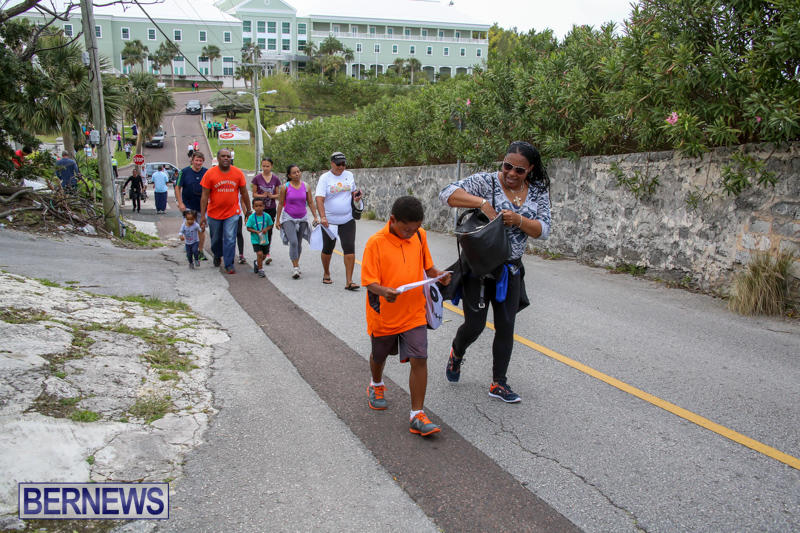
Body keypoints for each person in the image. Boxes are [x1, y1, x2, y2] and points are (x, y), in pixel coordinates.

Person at [438, 140, 552, 404]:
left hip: (510, 270)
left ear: (530, 169)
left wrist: (519, 220)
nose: (511, 173)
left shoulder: (537, 190)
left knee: (506, 326)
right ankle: (457, 352)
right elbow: (446, 194)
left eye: (519, 170)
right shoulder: (487, 181)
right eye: (507, 166)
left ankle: (499, 383)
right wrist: (481, 203)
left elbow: (544, 230)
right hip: (479, 268)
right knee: (475, 326)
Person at [361, 196, 451, 437]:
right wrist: (384, 291)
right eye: (406, 229)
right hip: (385, 313)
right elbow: (369, 281)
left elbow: (428, 267)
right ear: (393, 220)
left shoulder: (419, 236)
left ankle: (417, 415)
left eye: (415, 228)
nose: (411, 234)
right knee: (379, 355)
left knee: (420, 358)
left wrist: (439, 275)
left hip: (414, 312)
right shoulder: (375, 243)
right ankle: (376, 384)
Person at [315, 151, 363, 290]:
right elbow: (319, 199)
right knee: (328, 248)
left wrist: (356, 197)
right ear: (332, 164)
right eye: (338, 164)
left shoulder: (349, 175)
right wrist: (323, 217)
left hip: (347, 219)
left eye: (343, 164)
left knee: (349, 247)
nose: (341, 167)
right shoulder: (325, 178)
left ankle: (349, 281)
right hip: (329, 221)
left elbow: (352, 192)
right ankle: (326, 273)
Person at [199, 148, 251, 274]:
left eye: (228, 156)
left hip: (232, 212)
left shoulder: (238, 173)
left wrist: (249, 210)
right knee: (216, 239)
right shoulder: (210, 174)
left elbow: (244, 193)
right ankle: (217, 254)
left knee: (230, 238)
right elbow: (204, 196)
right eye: (223, 156)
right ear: (218, 158)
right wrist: (203, 215)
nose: (226, 158)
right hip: (214, 213)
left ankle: (229, 264)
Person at [275, 164, 318, 279]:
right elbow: (280, 203)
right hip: (288, 218)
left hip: (302, 218)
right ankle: (295, 267)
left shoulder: (306, 186)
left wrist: (315, 217)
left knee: (299, 243)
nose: (297, 174)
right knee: (293, 242)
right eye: (294, 173)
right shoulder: (285, 187)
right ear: (289, 175)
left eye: (298, 171)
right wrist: (277, 220)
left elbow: (310, 202)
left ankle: (296, 264)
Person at [176, 151, 209, 260]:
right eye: (196, 160)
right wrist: (180, 203)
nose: (198, 163)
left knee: (201, 229)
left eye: (200, 161)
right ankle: (189, 247)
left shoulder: (207, 172)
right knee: (189, 227)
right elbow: (177, 187)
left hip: (202, 207)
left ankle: (200, 251)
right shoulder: (184, 172)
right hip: (188, 205)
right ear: (192, 160)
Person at [250, 158, 280, 264]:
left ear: (271, 166)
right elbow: (254, 194)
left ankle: (267, 252)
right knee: (259, 229)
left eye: (268, 166)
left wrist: (272, 196)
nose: (265, 168)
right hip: (260, 209)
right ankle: (260, 250)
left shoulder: (275, 179)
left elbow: (278, 194)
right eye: (263, 166)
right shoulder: (257, 178)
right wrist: (262, 195)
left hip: (271, 208)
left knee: (268, 230)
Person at [246, 198, 274, 278]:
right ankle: (261, 270)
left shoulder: (267, 216)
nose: (259, 208)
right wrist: (256, 231)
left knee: (264, 256)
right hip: (255, 240)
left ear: (264, 206)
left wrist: (266, 229)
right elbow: (248, 228)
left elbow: (271, 225)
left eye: (260, 206)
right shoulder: (251, 217)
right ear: (253, 207)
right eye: (256, 206)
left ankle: (257, 263)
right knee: (259, 254)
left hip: (265, 240)